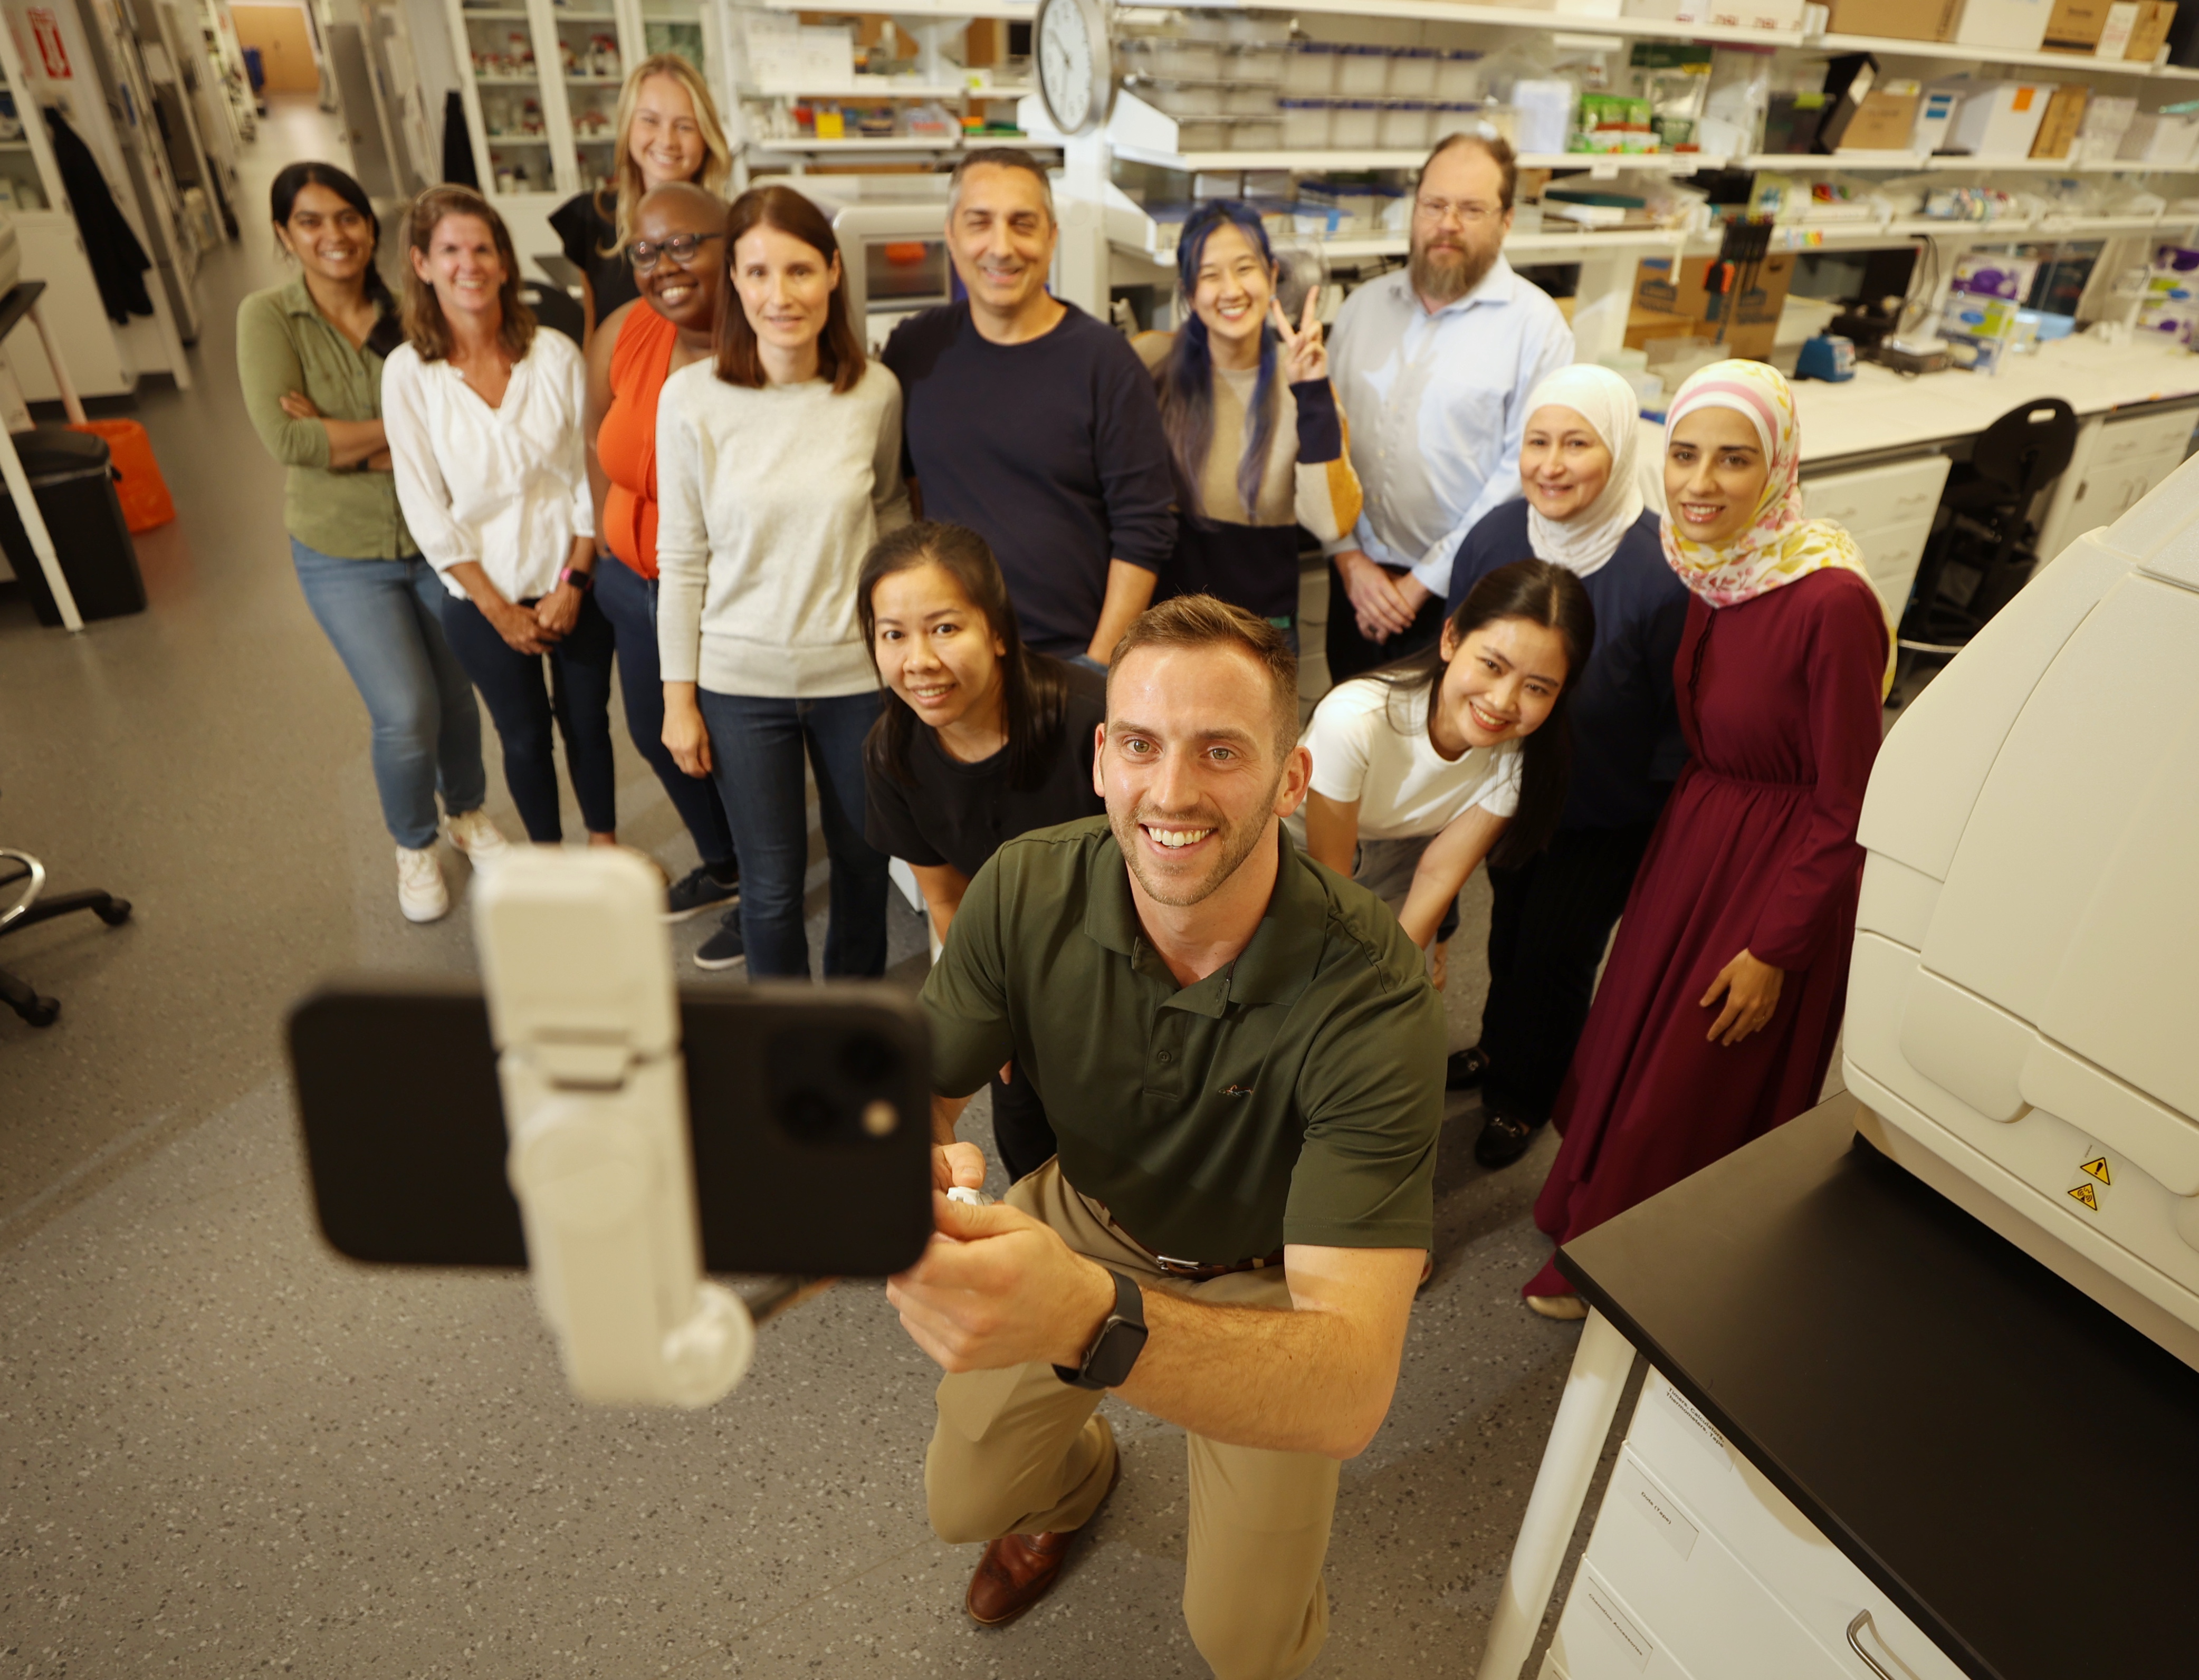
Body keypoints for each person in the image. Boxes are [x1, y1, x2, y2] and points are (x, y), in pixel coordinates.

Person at [887, 595, 1443, 1677]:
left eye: (1221, 750)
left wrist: (1090, 1321)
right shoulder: (1025, 884)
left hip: (1266, 1284)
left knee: (1241, 1643)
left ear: (1291, 779)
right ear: (1100, 759)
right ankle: (1076, 1476)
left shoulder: (1374, 995)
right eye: (1140, 744)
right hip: (1081, 1221)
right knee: (964, 1499)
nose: (1171, 792)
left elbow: (1349, 1386)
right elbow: (916, 1087)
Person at [1524, 360, 1891, 1319]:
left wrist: (1776, 946)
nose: (1699, 482)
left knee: (1691, 1065)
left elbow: (1849, 800)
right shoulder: (1712, 568)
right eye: (1683, 454)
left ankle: (1623, 1265)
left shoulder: (1827, 601)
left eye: (1733, 461)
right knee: (1630, 1037)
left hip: (1777, 864)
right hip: (1698, 837)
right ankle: (1589, 1206)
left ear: (1775, 467)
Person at [238, 162, 509, 924]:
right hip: (341, 551)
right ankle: (414, 842)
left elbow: (457, 425)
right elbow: (290, 440)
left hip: (435, 539)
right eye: (312, 221)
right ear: (284, 234)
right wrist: (396, 436)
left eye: (348, 218)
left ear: (373, 228)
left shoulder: (413, 311)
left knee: (458, 695)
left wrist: (350, 436)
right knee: (404, 706)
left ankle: (467, 812)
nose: (334, 236)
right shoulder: (268, 318)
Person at [656, 185, 910, 980]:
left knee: (865, 869)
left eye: (799, 270)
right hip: (739, 683)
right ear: (732, 279)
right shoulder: (691, 399)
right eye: (758, 272)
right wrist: (679, 699)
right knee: (769, 890)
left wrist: (904, 653)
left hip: (855, 679)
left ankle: (852, 1031)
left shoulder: (874, 391)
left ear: (834, 273)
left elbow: (890, 510)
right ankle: (787, 1052)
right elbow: (683, 553)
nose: (780, 295)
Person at [1442, 364, 1690, 1170]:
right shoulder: (1497, 537)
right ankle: (1496, 1047)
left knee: (1557, 956)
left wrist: (1660, 826)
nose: (1551, 464)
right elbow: (1458, 656)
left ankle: (1524, 1095)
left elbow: (1675, 718)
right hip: (1505, 793)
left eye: (1577, 444)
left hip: (1603, 811)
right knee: (1510, 934)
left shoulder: (1661, 570)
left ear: (1617, 451)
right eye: (1537, 442)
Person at [858, 520, 1106, 1182]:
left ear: (997, 631)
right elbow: (946, 895)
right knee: (1032, 1158)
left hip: (1135, 966)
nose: (919, 660)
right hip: (1020, 979)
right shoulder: (893, 754)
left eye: (944, 627)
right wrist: (986, 1005)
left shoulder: (1094, 721)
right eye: (893, 634)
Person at [384, 186, 617, 852]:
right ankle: (547, 859)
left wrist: (573, 581)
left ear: (506, 263)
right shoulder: (409, 374)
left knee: (587, 722)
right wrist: (499, 609)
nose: (470, 264)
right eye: (450, 250)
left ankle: (602, 845)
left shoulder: (554, 355)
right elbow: (424, 505)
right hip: (479, 594)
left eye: (483, 248)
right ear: (423, 265)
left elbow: (586, 477)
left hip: (572, 577)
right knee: (523, 734)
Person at [882, 147, 1175, 667]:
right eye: (979, 224)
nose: (1001, 247)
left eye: (1023, 224)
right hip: (947, 662)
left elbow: (1144, 529)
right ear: (950, 235)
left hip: (1069, 661)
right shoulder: (914, 350)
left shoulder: (1105, 362)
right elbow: (906, 494)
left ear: (1051, 237)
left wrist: (1099, 665)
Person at [1323, 132, 1574, 684]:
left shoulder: (1536, 329)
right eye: (1434, 205)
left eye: (1471, 209)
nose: (1448, 223)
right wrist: (1349, 559)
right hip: (1355, 585)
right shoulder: (1362, 310)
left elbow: (1518, 476)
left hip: (1463, 595)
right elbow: (1325, 443)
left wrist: (1420, 584)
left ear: (1506, 220)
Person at [1298, 561, 1592, 991]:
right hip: (1300, 849)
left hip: (1400, 851)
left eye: (1537, 687)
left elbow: (1439, 875)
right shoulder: (1354, 718)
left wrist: (1392, 980)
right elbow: (1332, 881)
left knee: (1401, 994)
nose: (1502, 701)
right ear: (1451, 637)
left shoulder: (1521, 755)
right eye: (1493, 665)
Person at [582, 180, 743, 963]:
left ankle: (767, 886)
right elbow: (592, 436)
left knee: (738, 751)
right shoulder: (623, 330)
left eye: (686, 245)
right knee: (655, 734)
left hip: (723, 601)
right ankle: (726, 865)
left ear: (731, 244)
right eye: (647, 250)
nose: (665, 265)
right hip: (633, 586)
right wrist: (608, 544)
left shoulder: (761, 344)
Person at [1134, 200, 1363, 653]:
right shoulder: (1149, 364)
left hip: (1262, 640)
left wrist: (1312, 391)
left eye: (1245, 268)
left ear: (1273, 276)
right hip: (1164, 635)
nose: (1231, 289)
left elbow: (1329, 521)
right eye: (1210, 274)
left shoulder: (1305, 382)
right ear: (1188, 290)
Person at [550, 53, 732, 345]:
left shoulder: (733, 225)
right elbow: (593, 330)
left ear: (706, 137)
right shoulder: (592, 217)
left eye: (685, 126)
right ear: (628, 126)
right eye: (650, 121)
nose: (667, 141)